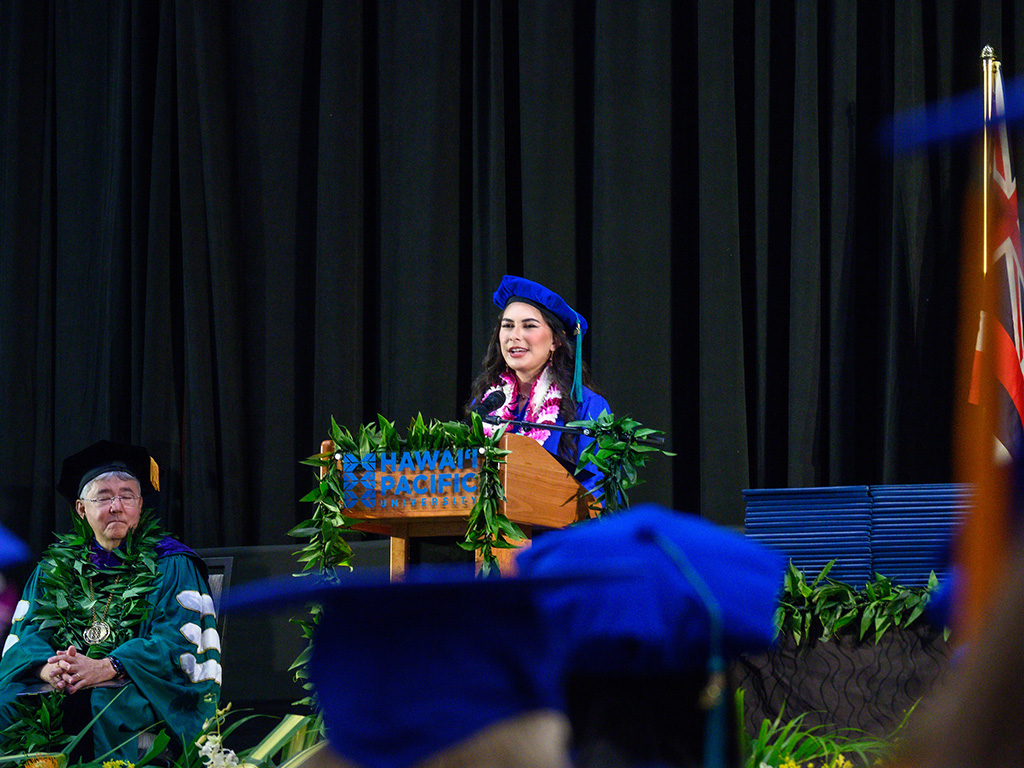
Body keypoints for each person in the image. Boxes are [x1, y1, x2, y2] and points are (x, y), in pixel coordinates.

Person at [0, 440, 221, 761]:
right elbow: (27, 638)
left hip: (136, 686)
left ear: (140, 505)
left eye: (127, 496)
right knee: (7, 704)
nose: (116, 506)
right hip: (60, 686)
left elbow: (175, 642)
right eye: (103, 497)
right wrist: (51, 669)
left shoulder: (172, 563)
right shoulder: (53, 569)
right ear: (81, 509)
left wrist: (108, 666)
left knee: (107, 703)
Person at [468, 275, 611, 501]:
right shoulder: (488, 404)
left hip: (555, 534)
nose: (514, 336)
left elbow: (598, 491)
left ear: (556, 341)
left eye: (529, 326)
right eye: (507, 326)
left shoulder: (588, 406)